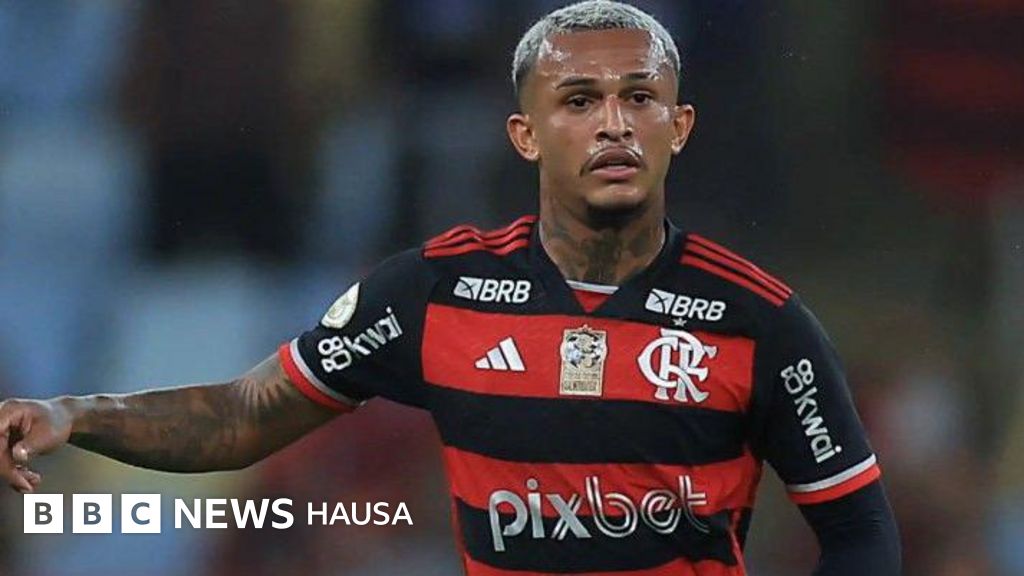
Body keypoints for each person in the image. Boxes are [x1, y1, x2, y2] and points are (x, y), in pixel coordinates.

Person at [0, 1, 900, 574]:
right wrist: (77, 416)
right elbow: (242, 415)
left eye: (640, 98)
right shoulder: (436, 294)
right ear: (524, 133)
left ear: (681, 126)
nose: (614, 125)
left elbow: (859, 533)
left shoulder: (760, 321)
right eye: (579, 100)